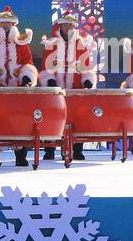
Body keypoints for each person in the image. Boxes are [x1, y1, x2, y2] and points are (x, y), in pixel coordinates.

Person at [0, 5, 38, 166]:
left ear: (13, 25)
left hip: (18, 90)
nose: (5, 26)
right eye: (2, 23)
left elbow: (28, 62)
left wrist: (26, 77)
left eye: (8, 24)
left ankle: (20, 156)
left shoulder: (22, 43)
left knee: (21, 121)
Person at [39, 12, 96, 161]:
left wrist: (87, 79)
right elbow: (46, 67)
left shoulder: (81, 44)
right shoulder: (51, 44)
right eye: (66, 25)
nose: (68, 27)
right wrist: (49, 80)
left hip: (75, 90)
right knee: (51, 119)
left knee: (78, 119)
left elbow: (86, 66)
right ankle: (49, 150)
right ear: (60, 26)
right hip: (55, 92)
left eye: (71, 25)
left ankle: (77, 150)